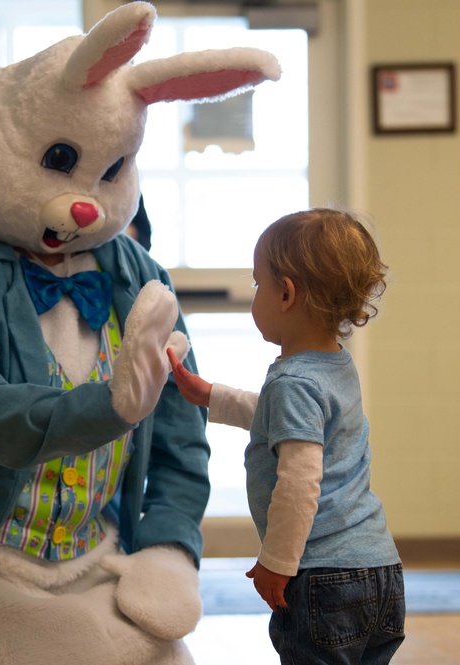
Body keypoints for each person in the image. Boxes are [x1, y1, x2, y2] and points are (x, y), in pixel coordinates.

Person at [168, 208, 405, 664]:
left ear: (286, 294)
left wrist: (277, 561)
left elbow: (299, 480)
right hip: (380, 571)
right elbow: (288, 423)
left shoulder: (292, 382)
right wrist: (213, 396)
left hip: (323, 577)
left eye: (258, 283)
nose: (254, 294)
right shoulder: (335, 366)